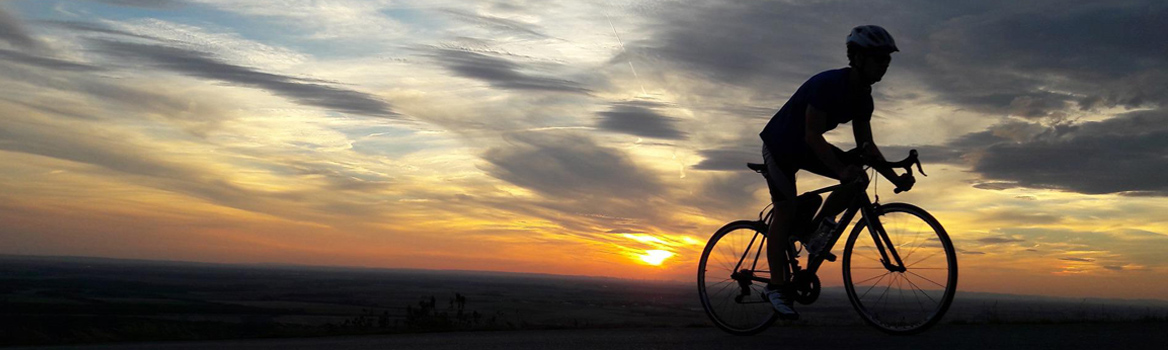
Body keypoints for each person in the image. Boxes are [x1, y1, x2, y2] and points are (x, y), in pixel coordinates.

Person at [757, 25, 915, 319]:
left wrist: (895, 178)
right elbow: (812, 135)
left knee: (859, 177)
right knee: (786, 210)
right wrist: (841, 169)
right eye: (879, 59)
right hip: (780, 146)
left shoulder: (863, 98)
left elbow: (866, 147)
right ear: (857, 58)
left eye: (887, 60)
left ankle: (815, 232)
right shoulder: (828, 85)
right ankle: (775, 287)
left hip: (806, 146)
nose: (885, 66)